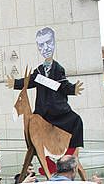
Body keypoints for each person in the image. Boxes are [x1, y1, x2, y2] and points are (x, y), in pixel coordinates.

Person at [6, 27, 84, 173]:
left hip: (59, 111)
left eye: (48, 43)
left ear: (53, 43)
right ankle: (47, 164)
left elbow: (63, 85)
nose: (45, 48)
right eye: (41, 45)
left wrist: (73, 89)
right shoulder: (39, 71)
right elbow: (28, 81)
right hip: (43, 112)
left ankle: (69, 154)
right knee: (35, 134)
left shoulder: (58, 69)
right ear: (38, 47)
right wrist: (15, 84)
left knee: (77, 121)